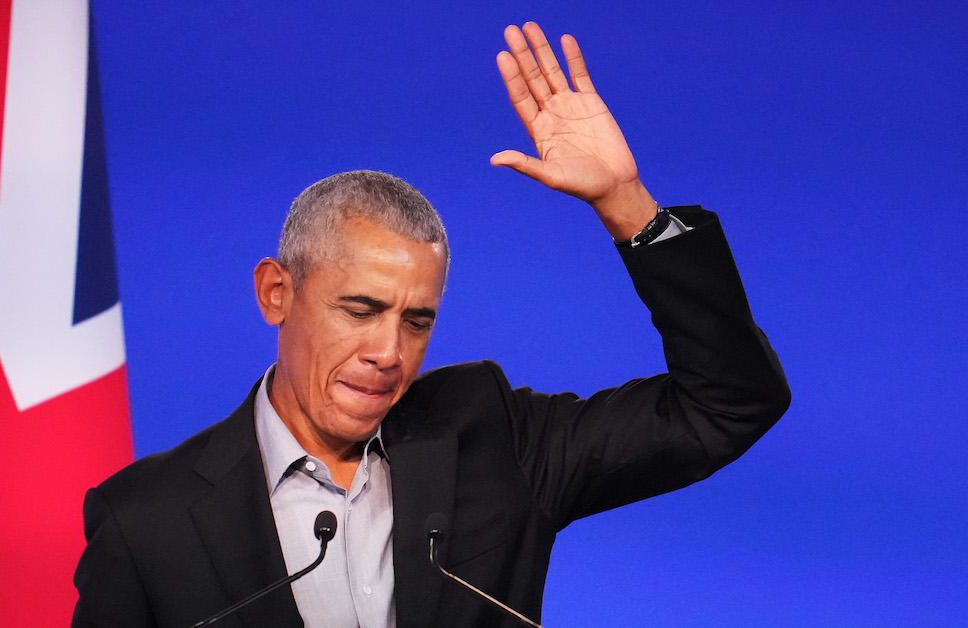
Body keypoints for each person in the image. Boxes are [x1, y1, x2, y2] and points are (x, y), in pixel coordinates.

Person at [72, 22, 789, 627]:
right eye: (360, 310)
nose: (389, 352)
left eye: (418, 320)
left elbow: (728, 403)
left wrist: (626, 204)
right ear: (276, 293)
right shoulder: (147, 523)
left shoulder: (495, 440)